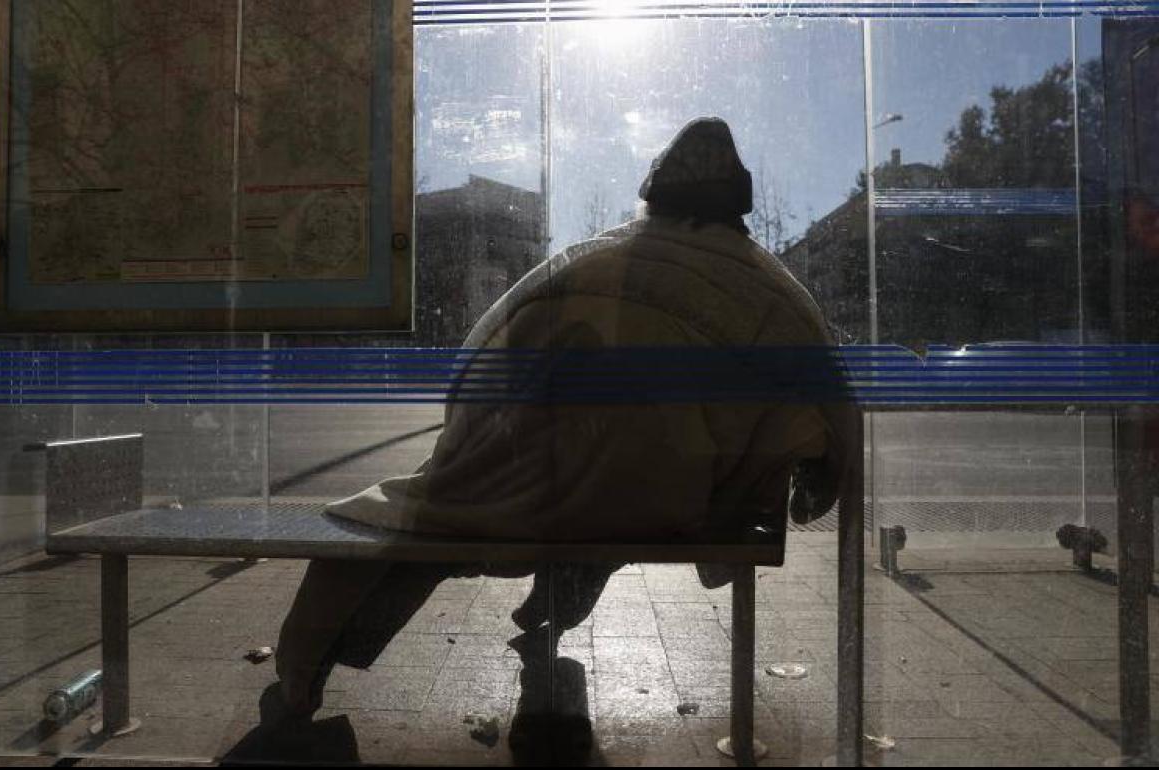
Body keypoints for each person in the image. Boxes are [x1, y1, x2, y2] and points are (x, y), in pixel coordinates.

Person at [275, 117, 858, 716]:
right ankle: (545, 614)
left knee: (426, 520)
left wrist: (465, 462)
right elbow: (832, 425)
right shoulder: (773, 291)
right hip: (675, 509)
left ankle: (304, 671)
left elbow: (478, 389)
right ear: (736, 209)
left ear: (654, 200)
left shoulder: (586, 265)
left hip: (519, 497)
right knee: (624, 496)